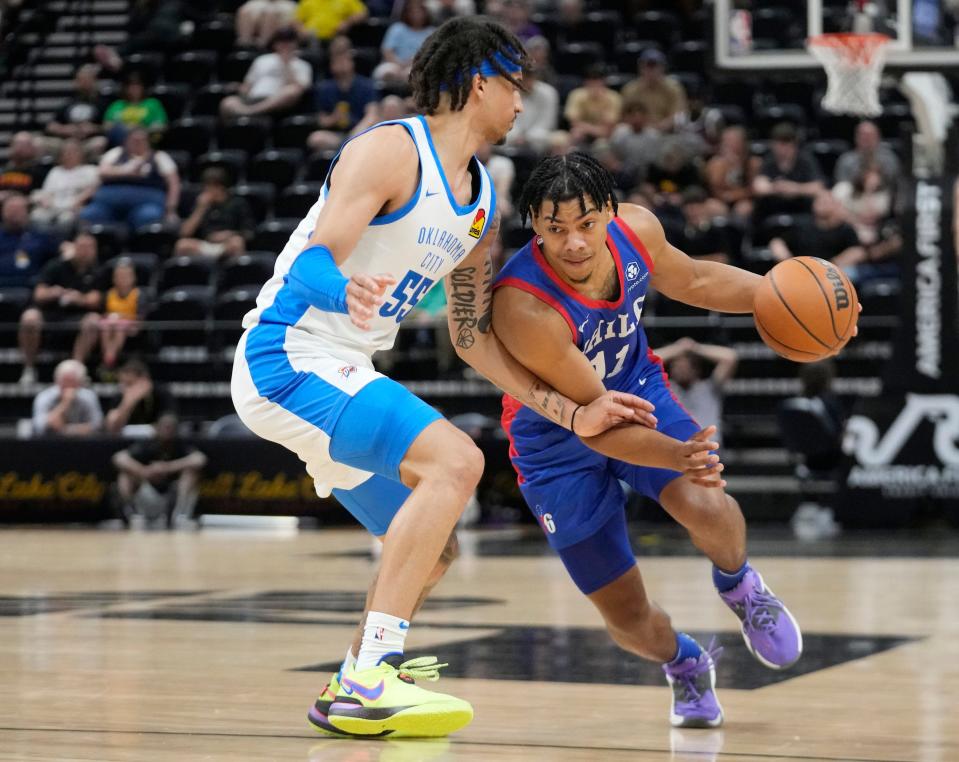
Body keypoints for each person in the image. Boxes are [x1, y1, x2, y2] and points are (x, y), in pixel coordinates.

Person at [230, 16, 652, 738]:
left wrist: (567, 410)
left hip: (340, 370)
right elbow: (311, 262)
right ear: (478, 81)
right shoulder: (391, 150)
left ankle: (346, 683)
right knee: (455, 460)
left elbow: (472, 339)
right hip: (287, 356)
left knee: (432, 546)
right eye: (513, 85)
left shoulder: (481, 200)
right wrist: (342, 293)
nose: (521, 102)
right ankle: (373, 679)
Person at [491, 152, 808, 729]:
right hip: (557, 439)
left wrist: (781, 296)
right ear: (533, 224)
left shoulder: (638, 230)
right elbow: (601, 422)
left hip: (638, 386)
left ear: (610, 213)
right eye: (555, 229)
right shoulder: (522, 305)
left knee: (705, 501)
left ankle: (741, 586)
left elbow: (697, 279)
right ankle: (684, 664)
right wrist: (676, 453)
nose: (574, 244)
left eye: (586, 224)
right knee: (629, 619)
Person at [18, 232, 105, 385]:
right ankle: (29, 368)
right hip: (50, 312)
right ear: (74, 247)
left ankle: (77, 370)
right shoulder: (56, 266)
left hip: (79, 314)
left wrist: (79, 299)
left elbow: (96, 299)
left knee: (93, 320)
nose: (85, 251)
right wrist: (54, 292)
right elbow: (39, 293)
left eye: (90, 247)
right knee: (29, 318)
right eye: (82, 247)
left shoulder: (98, 270)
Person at [111, 413, 207, 528]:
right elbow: (119, 458)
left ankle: (178, 515)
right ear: (156, 428)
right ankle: (130, 514)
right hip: (148, 496)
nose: (167, 431)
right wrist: (144, 471)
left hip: (173, 497)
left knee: (191, 473)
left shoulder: (180, 444)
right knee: (125, 475)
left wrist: (167, 467)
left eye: (170, 427)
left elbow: (200, 459)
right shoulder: (148, 444)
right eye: (164, 427)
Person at [79, 127, 180, 230]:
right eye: (134, 140)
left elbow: (174, 183)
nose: (137, 143)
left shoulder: (159, 157)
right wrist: (127, 172)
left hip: (147, 201)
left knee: (149, 216)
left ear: (148, 142)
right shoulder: (116, 153)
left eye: (141, 140)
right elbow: (102, 172)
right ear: (127, 141)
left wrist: (171, 209)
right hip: (109, 202)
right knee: (90, 214)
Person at [655, 336, 738, 445]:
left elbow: (730, 357)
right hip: (674, 448)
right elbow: (644, 362)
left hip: (707, 447)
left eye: (686, 367)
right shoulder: (665, 389)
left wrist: (695, 348)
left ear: (696, 370)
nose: (681, 371)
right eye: (677, 367)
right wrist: (677, 348)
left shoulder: (710, 387)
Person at [220, 26, 313, 118]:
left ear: (296, 44)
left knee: (291, 91)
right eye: (281, 41)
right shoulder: (262, 60)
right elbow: (247, 86)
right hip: (253, 98)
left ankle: (250, 113)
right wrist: (237, 87)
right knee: (228, 103)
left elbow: (299, 90)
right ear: (275, 44)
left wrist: (286, 64)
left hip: (277, 102)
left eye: (289, 41)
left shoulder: (302, 65)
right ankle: (248, 112)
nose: (285, 44)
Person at [307, 42, 379, 153]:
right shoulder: (324, 88)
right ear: (331, 66)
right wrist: (333, 118)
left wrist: (354, 135)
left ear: (352, 63)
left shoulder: (366, 85)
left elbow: (372, 116)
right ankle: (346, 148)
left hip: (360, 133)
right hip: (336, 136)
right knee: (316, 138)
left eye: (344, 60)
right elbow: (322, 121)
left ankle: (347, 147)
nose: (341, 64)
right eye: (337, 61)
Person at [174, 168, 254, 260]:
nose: (206, 190)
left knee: (237, 242)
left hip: (226, 244)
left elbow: (249, 233)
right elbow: (185, 233)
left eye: (210, 186)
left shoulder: (237, 203)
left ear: (220, 187)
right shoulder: (201, 204)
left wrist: (228, 234)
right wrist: (200, 209)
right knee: (182, 245)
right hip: (205, 245)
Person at [769, 190, 865, 264]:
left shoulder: (844, 228)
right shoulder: (802, 224)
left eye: (826, 202)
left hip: (832, 273)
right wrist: (787, 260)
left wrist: (833, 264)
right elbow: (777, 242)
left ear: (836, 205)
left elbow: (858, 251)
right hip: (800, 269)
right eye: (819, 201)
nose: (822, 204)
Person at [753, 122, 825, 218]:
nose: (783, 150)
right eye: (780, 144)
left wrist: (795, 188)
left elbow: (818, 187)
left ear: (795, 145)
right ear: (773, 145)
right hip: (774, 208)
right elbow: (759, 186)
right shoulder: (769, 160)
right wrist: (776, 188)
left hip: (802, 208)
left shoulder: (805, 160)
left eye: (787, 144)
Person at [29, 139, 100, 233]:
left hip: (74, 207)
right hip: (53, 206)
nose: (69, 154)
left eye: (73, 151)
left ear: (81, 154)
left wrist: (80, 201)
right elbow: (47, 192)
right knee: (36, 216)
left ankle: (59, 244)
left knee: (65, 220)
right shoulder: (55, 171)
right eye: (66, 152)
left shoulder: (89, 170)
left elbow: (93, 189)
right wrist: (47, 202)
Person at [44, 64, 108, 160]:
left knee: (100, 143)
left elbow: (110, 125)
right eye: (81, 80)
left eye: (87, 79)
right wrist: (65, 129)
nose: (84, 83)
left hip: (89, 141)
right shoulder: (69, 102)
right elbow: (50, 126)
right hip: (67, 141)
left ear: (94, 81)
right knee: (39, 142)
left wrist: (94, 128)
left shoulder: (103, 102)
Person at [620, 49, 689, 133]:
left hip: (666, 133)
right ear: (641, 68)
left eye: (654, 66)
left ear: (662, 68)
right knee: (621, 131)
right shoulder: (630, 89)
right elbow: (624, 116)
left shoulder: (673, 88)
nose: (651, 71)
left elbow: (678, 115)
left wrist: (659, 127)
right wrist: (644, 128)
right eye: (648, 66)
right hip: (639, 133)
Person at [0, 194, 59, 290]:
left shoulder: (41, 237)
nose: (13, 213)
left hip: (31, 289)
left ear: (27, 212)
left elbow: (56, 260)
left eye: (18, 210)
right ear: (2, 212)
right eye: (10, 209)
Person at [32, 358, 103, 436]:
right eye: (64, 382)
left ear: (80, 383)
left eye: (72, 383)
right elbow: (39, 426)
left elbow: (97, 425)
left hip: (83, 443)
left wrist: (66, 430)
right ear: (57, 381)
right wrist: (65, 403)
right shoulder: (44, 397)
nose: (68, 387)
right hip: (50, 443)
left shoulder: (89, 397)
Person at [105, 359, 176, 434]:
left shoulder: (161, 393)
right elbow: (113, 428)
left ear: (144, 380)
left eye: (129, 384)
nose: (125, 389)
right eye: (122, 384)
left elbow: (169, 420)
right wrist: (127, 404)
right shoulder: (120, 396)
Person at [373, 0, 435, 85]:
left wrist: (414, 63)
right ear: (406, 13)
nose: (416, 15)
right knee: (387, 72)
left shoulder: (431, 32)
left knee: (413, 74)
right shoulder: (397, 28)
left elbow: (433, 53)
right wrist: (398, 64)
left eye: (419, 12)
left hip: (420, 66)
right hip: (394, 64)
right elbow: (387, 50)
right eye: (412, 12)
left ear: (425, 13)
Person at [99, 259, 144, 370]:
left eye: (126, 276)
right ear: (114, 278)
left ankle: (109, 358)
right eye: (119, 276)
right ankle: (108, 355)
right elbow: (103, 313)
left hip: (130, 324)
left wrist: (121, 317)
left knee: (120, 326)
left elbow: (141, 316)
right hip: (111, 324)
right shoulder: (109, 294)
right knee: (105, 326)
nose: (122, 279)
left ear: (133, 278)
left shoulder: (138, 294)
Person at [102, 71, 168, 146]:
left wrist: (141, 129)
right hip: (121, 142)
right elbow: (106, 126)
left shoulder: (153, 104)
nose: (134, 89)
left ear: (143, 87)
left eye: (137, 86)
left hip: (146, 141)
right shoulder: (117, 105)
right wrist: (127, 128)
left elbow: (161, 126)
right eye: (131, 86)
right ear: (126, 89)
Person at [563, 64, 622, 145]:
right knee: (575, 134)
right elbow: (574, 122)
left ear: (604, 81)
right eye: (591, 79)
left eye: (598, 79)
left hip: (605, 136)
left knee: (602, 144)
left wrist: (586, 128)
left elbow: (608, 129)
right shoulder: (576, 95)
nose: (594, 83)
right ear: (585, 81)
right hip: (582, 133)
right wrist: (595, 130)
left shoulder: (613, 97)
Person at [833, 120, 900, 187]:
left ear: (878, 137)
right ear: (856, 137)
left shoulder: (889, 159)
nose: (867, 139)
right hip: (854, 195)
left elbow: (894, 183)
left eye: (870, 135)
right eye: (863, 135)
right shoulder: (845, 160)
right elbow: (841, 186)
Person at [295, 0, 368, 42]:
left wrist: (348, 22)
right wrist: (301, 30)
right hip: (311, 38)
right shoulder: (307, 1)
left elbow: (362, 13)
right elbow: (296, 20)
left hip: (335, 36)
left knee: (342, 44)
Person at [0, 131, 42, 202]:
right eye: (17, 144)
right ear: (11, 145)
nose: (20, 148)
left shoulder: (40, 170)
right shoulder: (3, 167)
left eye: (25, 145)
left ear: (33, 148)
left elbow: (40, 196)